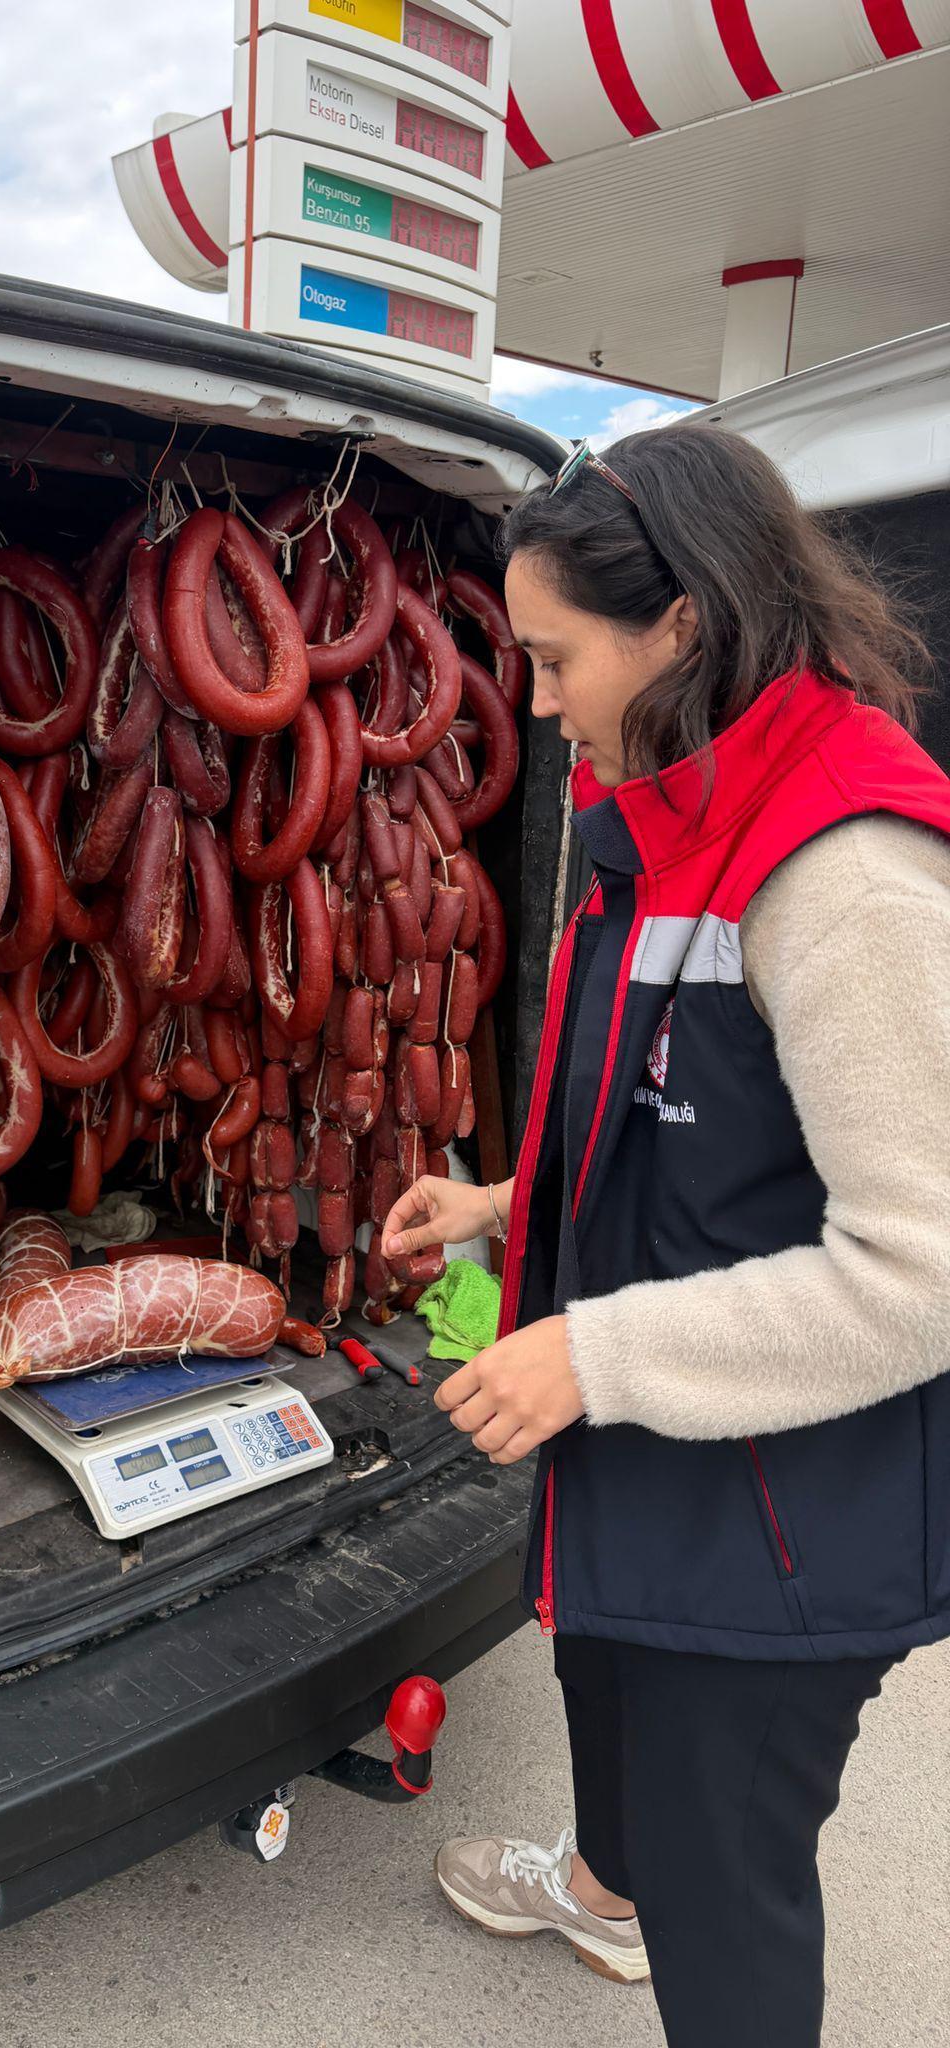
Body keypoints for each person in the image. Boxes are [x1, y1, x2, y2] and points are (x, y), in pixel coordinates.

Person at [381, 423, 950, 2048]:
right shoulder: (665, 812)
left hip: (783, 1525)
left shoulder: (848, 872)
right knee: (612, 1708)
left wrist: (594, 1351)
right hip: (652, 1461)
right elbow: (689, 1119)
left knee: (730, 1896)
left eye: (557, 660)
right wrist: (507, 1209)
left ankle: (658, 1913)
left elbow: (922, 1275)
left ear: (680, 625)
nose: (537, 701)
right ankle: (603, 1891)